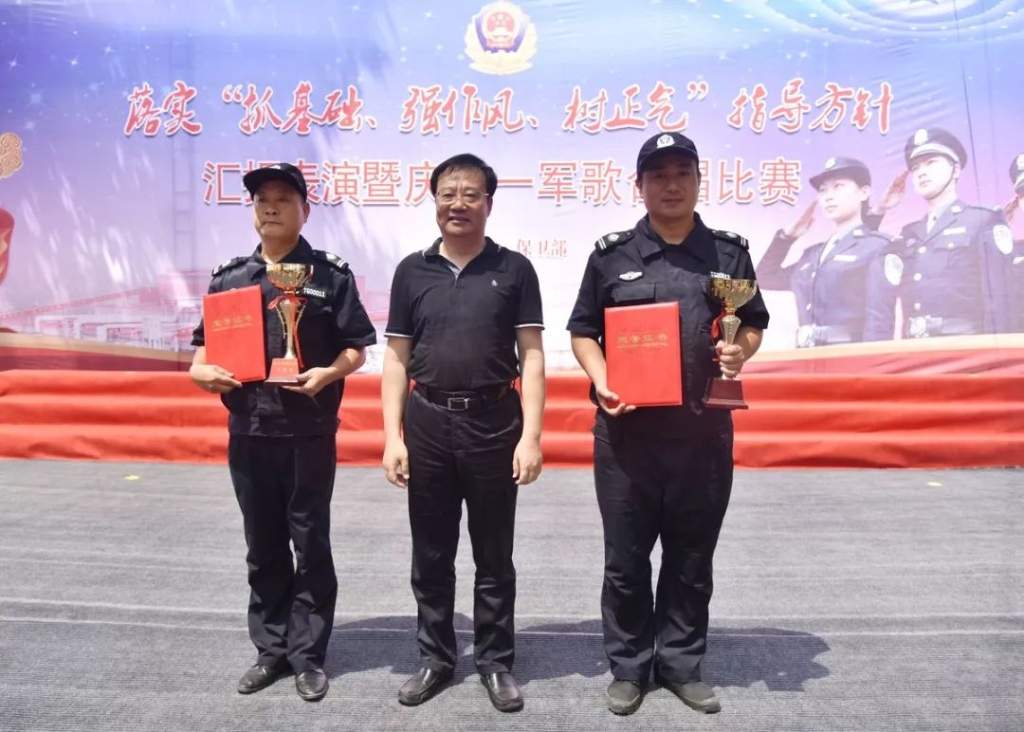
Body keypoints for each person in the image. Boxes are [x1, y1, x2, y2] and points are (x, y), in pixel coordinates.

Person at [567, 131, 769, 716]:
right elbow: (583, 331)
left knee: (691, 558)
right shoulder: (611, 255)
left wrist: (739, 353)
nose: (671, 185)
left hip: (703, 435)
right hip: (626, 439)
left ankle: (681, 664)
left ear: (700, 181)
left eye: (683, 173)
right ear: (640, 185)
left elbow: (752, 323)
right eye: (658, 175)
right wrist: (603, 378)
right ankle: (629, 667)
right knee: (625, 562)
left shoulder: (729, 254)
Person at [189, 162, 376, 701]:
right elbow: (202, 353)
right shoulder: (229, 279)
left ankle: (309, 655)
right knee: (262, 543)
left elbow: (357, 347)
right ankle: (271, 650)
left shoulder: (330, 275)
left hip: (307, 430)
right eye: (261, 199)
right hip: (249, 430)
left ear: (305, 210)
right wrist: (201, 373)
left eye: (282, 198)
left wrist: (329, 373)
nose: (270, 207)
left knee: (310, 541)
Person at [380, 153, 545, 713]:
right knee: (431, 551)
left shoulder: (514, 269)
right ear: (435, 201)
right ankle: (435, 657)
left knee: (494, 551)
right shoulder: (412, 271)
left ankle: (496, 661)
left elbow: (533, 356)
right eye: (448, 194)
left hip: (495, 421)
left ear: (488, 203)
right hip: (427, 421)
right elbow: (396, 358)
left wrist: (531, 437)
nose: (458, 204)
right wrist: (393, 436)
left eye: (470, 194)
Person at [887, 128, 1016, 337]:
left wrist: (995, 353)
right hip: (914, 347)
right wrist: (880, 211)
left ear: (955, 170)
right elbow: (870, 261)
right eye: (915, 167)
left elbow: (999, 299)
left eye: (931, 162)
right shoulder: (909, 233)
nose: (921, 172)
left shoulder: (983, 220)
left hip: (963, 346)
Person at [757, 157, 897, 346]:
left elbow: (879, 321)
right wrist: (786, 238)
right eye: (823, 190)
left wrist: (871, 361)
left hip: (848, 357)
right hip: (808, 357)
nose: (828, 196)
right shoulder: (812, 256)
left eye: (838, 186)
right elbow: (764, 277)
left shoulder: (877, 247)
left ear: (863, 193)